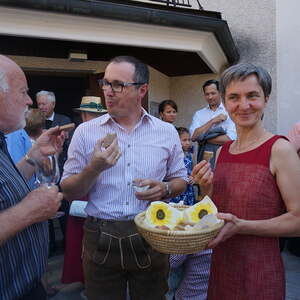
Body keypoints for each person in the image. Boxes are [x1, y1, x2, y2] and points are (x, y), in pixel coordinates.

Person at [61, 55, 187, 300]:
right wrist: (94, 168)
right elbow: (68, 192)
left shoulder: (167, 132)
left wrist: (165, 188)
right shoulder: (85, 132)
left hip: (153, 232)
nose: (108, 91)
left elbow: (180, 180)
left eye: (118, 84)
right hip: (100, 235)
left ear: (142, 89)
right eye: (105, 83)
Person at [192, 63, 300, 300]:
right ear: (225, 103)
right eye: (234, 97)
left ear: (266, 99)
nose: (243, 105)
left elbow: (297, 220)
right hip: (221, 265)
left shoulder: (280, 149)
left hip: (260, 269)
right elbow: (216, 210)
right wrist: (206, 189)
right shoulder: (224, 151)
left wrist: (243, 226)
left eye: (252, 96)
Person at [0, 55, 64, 300]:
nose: (29, 101)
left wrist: (33, 157)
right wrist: (28, 211)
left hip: (27, 286)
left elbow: (6, 185)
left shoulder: (2, 140)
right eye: (23, 91)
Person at [62, 96, 107, 288]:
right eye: (90, 114)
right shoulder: (81, 133)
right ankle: (85, 279)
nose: (88, 117)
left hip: (92, 191)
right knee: (79, 237)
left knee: (86, 238)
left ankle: (90, 279)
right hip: (82, 189)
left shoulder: (102, 133)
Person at [167, 127, 210, 300]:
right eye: (183, 140)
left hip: (187, 200)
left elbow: (173, 261)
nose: (187, 143)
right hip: (176, 200)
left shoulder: (188, 158)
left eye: (187, 140)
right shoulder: (174, 158)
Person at [37, 90, 72, 253]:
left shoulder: (64, 120)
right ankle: (49, 245)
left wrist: (61, 142)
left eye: (44, 104)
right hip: (42, 172)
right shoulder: (34, 121)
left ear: (53, 104)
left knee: (64, 208)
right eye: (39, 104)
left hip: (62, 170)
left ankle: (66, 243)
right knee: (46, 209)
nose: (41, 107)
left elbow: (72, 146)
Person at [190, 79, 236, 167]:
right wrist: (213, 121)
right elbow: (193, 136)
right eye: (207, 94)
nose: (210, 97)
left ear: (220, 93)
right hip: (203, 161)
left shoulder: (230, 111)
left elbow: (230, 139)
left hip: (224, 159)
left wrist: (202, 138)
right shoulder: (199, 114)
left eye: (213, 93)